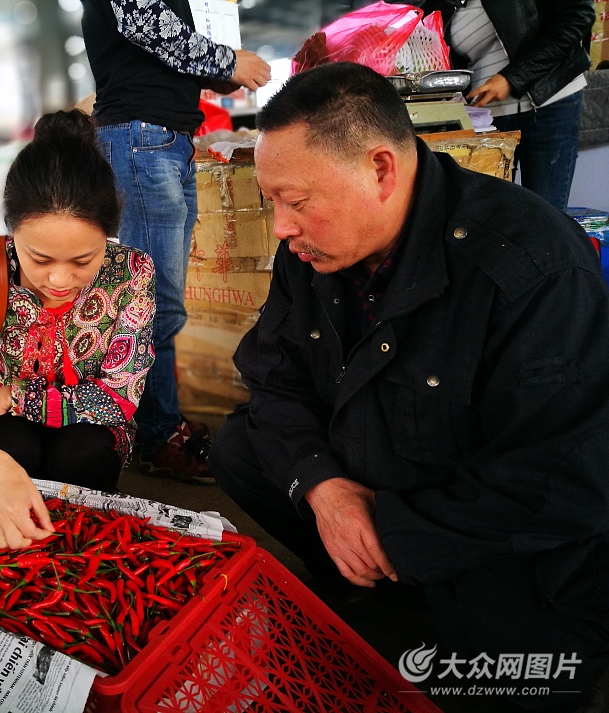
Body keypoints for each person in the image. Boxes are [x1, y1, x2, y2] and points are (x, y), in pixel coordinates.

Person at [210, 62, 609, 712]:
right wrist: (325, 488)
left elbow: (562, 484)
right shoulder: (309, 253)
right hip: (380, 467)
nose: (281, 226)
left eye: (297, 201)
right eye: (271, 201)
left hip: (489, 531)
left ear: (380, 169)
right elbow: (272, 376)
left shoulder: (531, 268)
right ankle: (366, 579)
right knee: (239, 445)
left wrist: (392, 532)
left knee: (509, 676)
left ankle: (385, 574)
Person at [0, 109, 155, 550]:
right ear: (11, 233)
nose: (60, 281)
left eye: (83, 261)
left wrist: (14, 396)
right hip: (8, 428)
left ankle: (82, 545)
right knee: (12, 446)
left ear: (109, 235)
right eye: (40, 259)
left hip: (85, 428)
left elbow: (119, 395)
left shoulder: (132, 272)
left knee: (84, 451)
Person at [80, 0, 271, 484]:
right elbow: (144, 22)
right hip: (143, 138)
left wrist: (211, 74)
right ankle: (156, 436)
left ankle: (155, 426)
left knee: (160, 301)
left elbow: (152, 47)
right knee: (154, 304)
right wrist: (228, 61)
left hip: (163, 139)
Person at [412, 0, 594, 211]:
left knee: (545, 216)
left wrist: (512, 78)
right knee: (490, 217)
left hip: (548, 101)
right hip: (488, 118)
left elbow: (578, 16)